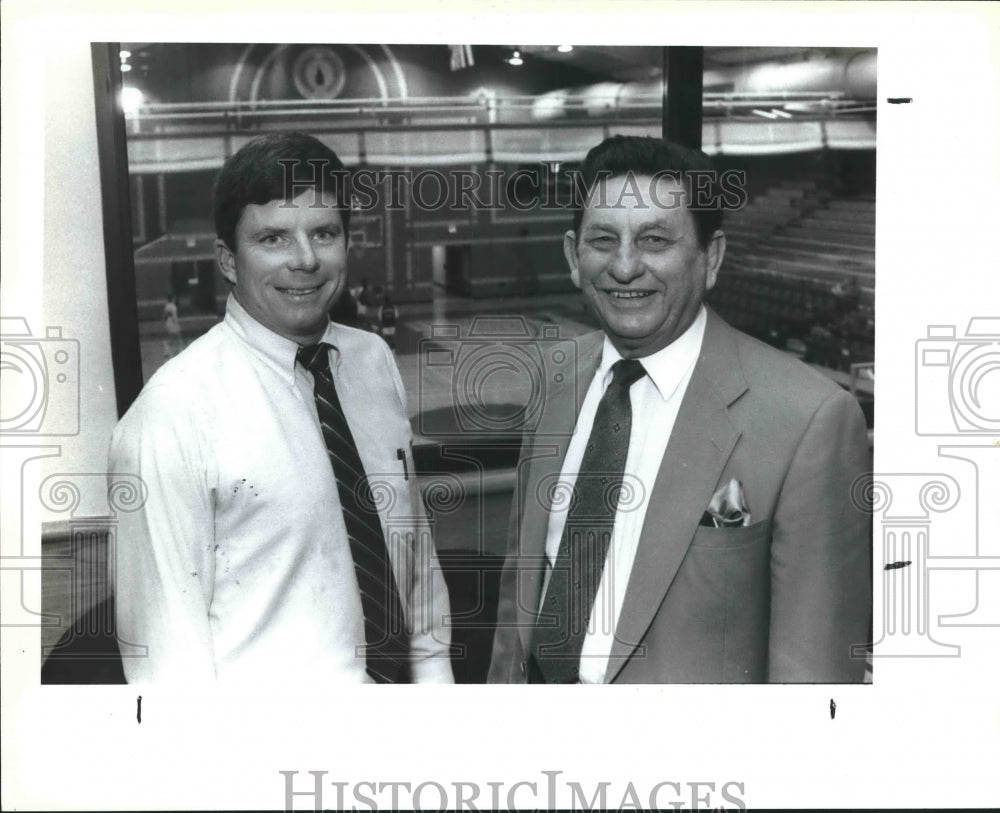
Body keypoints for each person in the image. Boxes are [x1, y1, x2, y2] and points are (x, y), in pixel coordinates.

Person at [488, 135, 871, 684]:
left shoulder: (809, 418)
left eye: (654, 240)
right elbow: (521, 586)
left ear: (709, 258)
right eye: (603, 239)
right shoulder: (555, 375)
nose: (624, 267)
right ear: (573, 256)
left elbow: (814, 683)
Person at [109, 132, 453, 683]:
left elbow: (415, 565)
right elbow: (169, 668)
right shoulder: (172, 414)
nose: (306, 259)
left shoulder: (373, 361)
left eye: (324, 233)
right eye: (273, 238)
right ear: (227, 259)